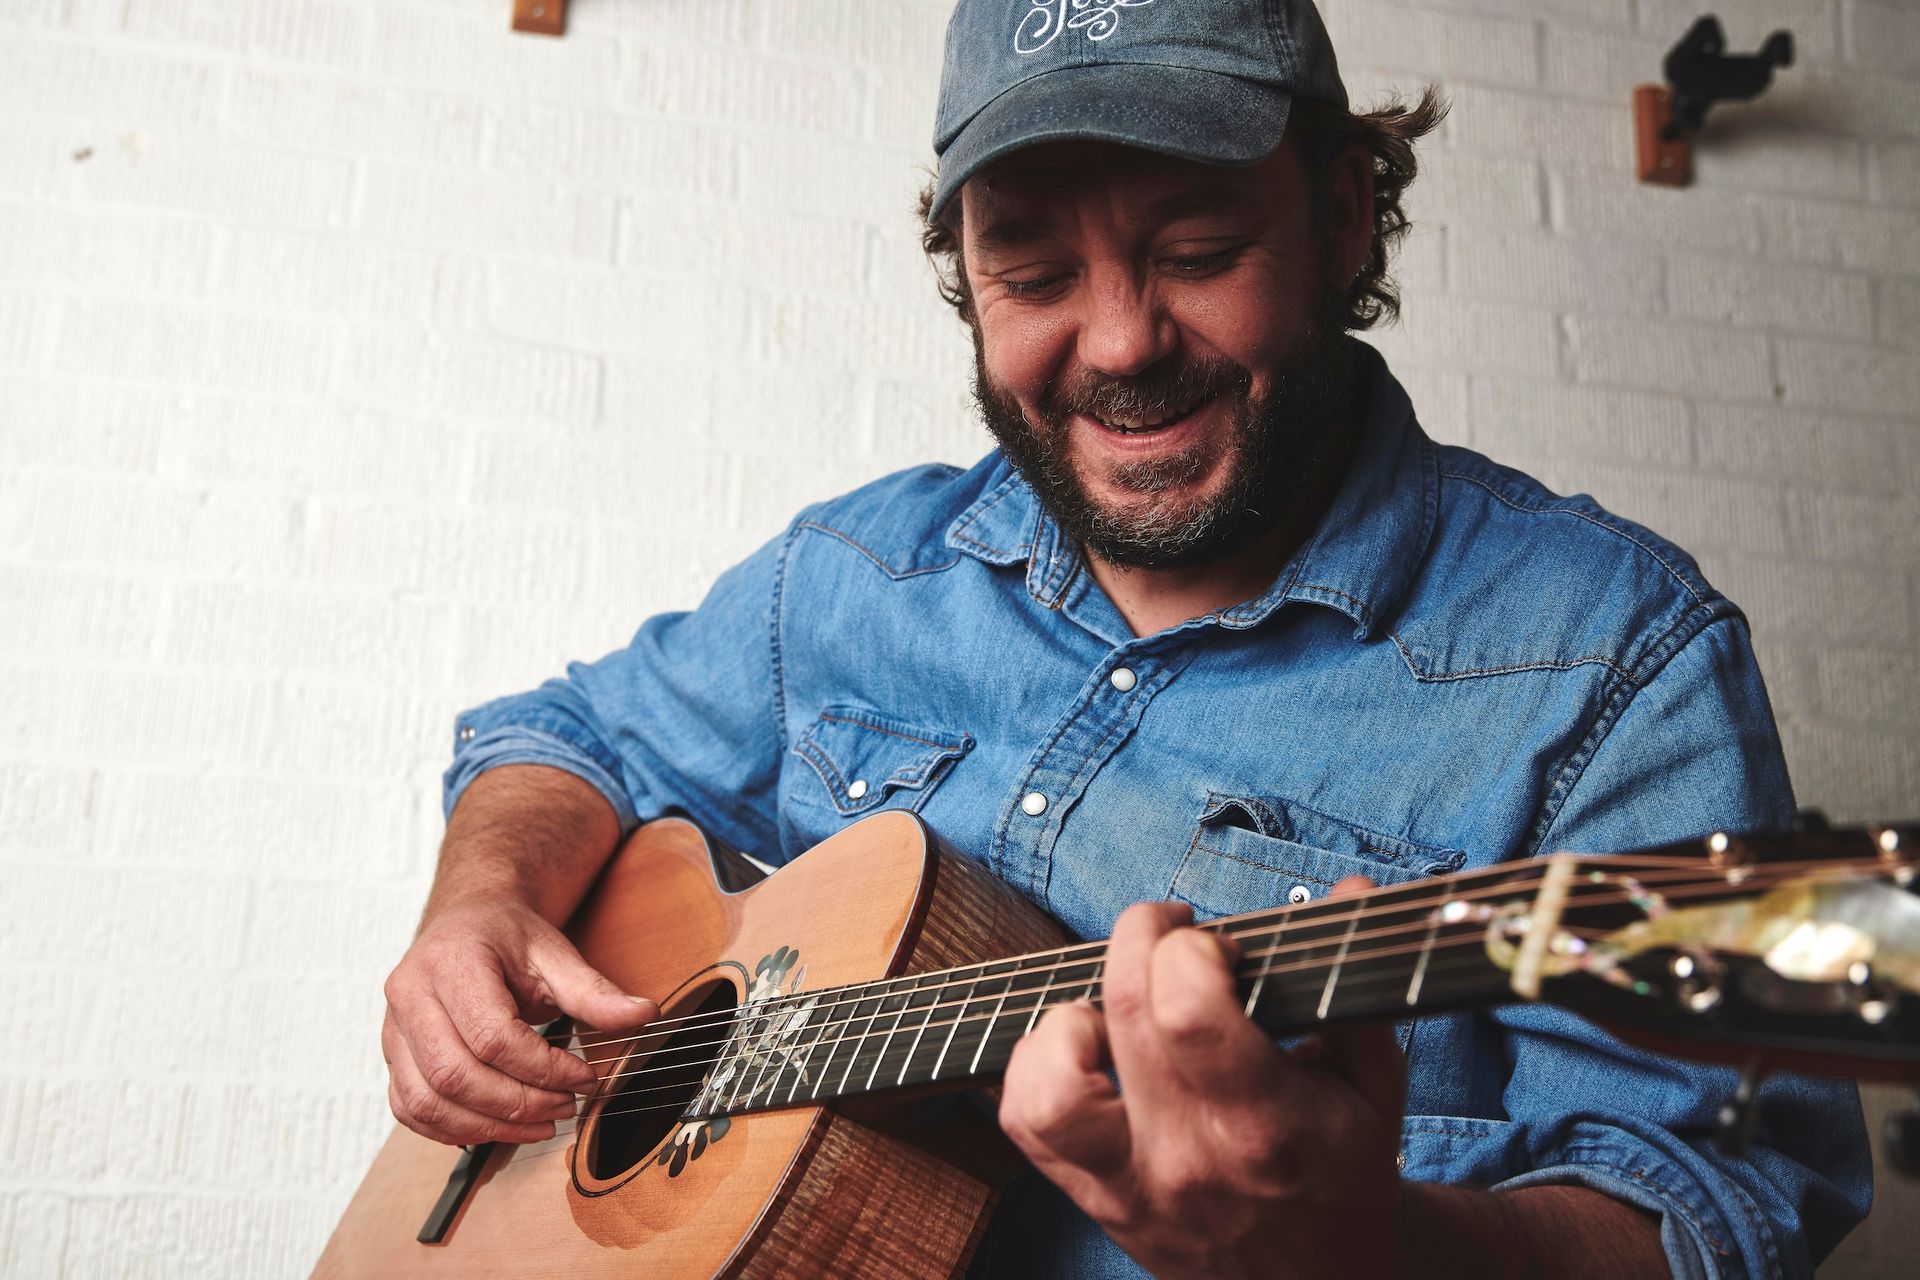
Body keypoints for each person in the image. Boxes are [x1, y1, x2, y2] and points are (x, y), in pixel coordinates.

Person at [378, 1, 1872, 1276]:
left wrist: (1369, 1250)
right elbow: (562, 740)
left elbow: (1714, 1209)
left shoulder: (1616, 656)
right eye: (1033, 274)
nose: (1116, 342)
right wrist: (478, 903)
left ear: (1345, 213)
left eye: (1199, 245)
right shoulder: (848, 573)